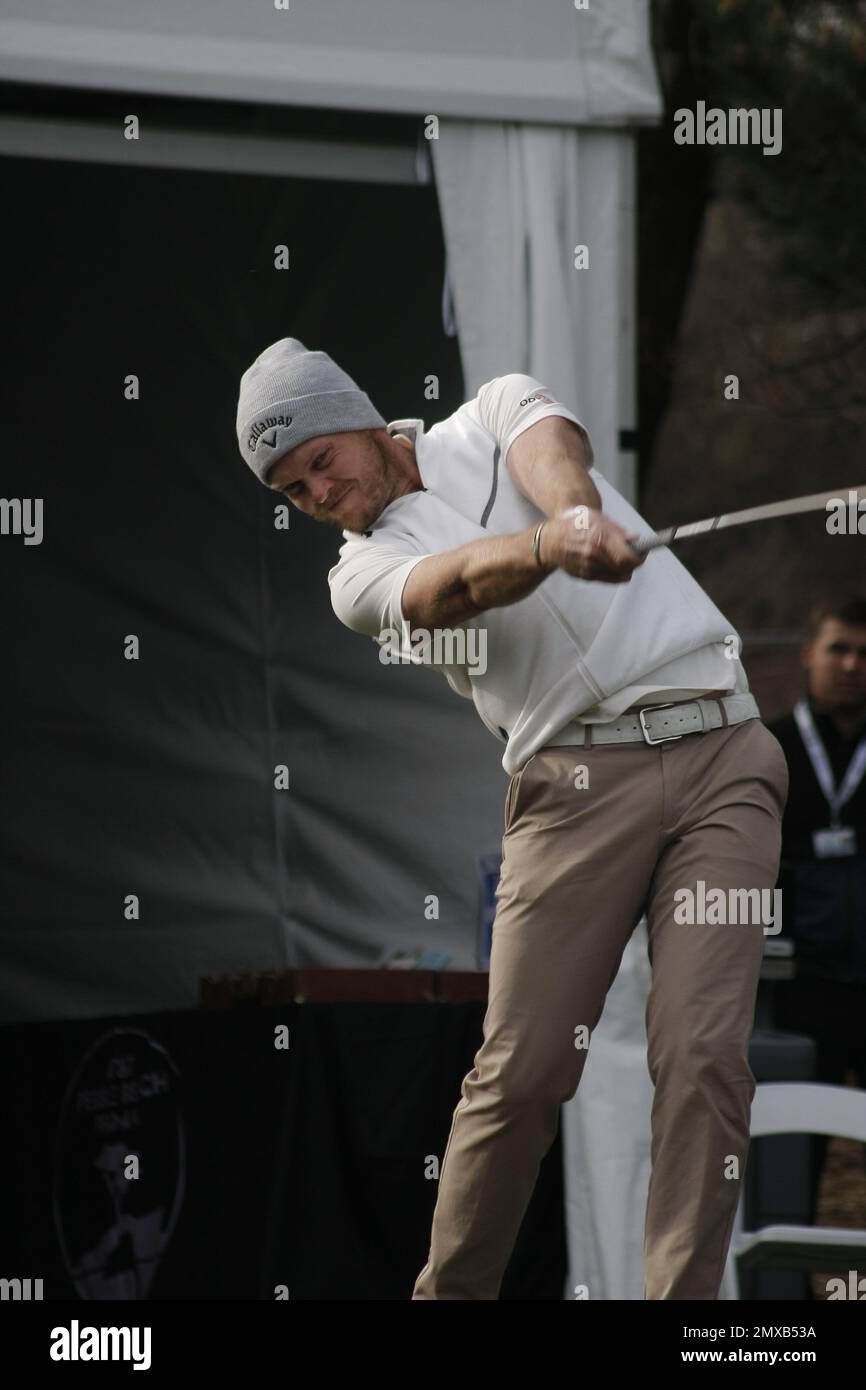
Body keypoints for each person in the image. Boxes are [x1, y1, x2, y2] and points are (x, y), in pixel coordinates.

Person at [236, 338, 789, 1300]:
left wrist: (574, 512)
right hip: (572, 791)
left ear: (365, 421)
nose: (317, 493)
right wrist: (548, 547)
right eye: (291, 491)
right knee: (523, 1073)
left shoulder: (492, 412)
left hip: (724, 755)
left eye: (320, 461)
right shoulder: (358, 577)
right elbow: (449, 589)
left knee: (703, 1056)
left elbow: (550, 445)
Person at [767, 597, 866, 1223]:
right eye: (838, 648)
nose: (852, 664)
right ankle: (782, 1304)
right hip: (800, 987)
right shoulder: (768, 748)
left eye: (865, 653)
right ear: (809, 654)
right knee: (789, 1150)